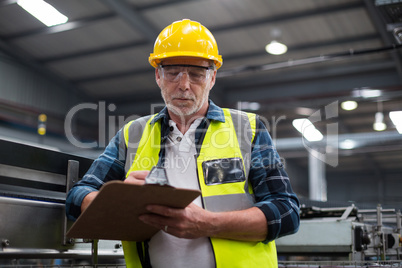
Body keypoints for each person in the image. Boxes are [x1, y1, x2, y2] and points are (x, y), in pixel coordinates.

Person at [66, 19, 300, 268]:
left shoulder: (247, 130)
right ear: (158, 75)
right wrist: (122, 198)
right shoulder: (132, 134)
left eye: (197, 74)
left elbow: (286, 212)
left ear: (212, 78)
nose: (184, 85)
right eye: (173, 73)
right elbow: (77, 196)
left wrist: (206, 224)